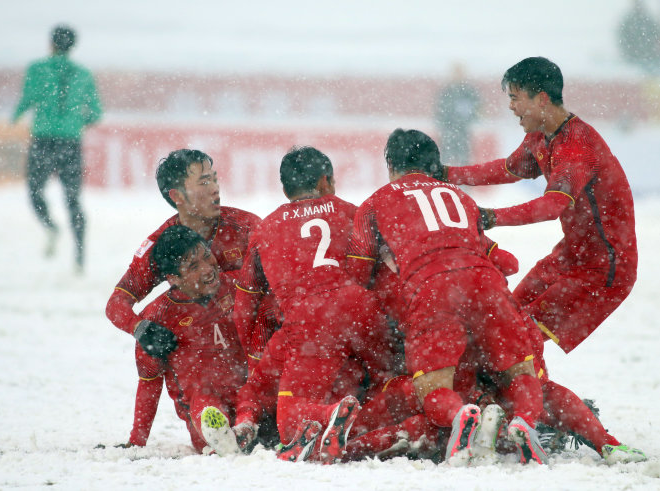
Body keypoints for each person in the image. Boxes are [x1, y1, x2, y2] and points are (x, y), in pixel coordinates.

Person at [347, 128, 547, 465]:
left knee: (432, 388)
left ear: (391, 166)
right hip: (485, 281)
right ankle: (525, 422)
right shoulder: (460, 197)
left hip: (431, 287)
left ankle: (460, 416)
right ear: (434, 164)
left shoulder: (375, 202)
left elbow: (358, 275)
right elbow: (506, 262)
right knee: (521, 373)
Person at [443, 57, 638, 354]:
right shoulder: (539, 136)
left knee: (516, 338)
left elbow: (551, 206)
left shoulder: (576, 146)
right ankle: (517, 395)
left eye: (515, 98)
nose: (511, 107)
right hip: (570, 255)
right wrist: (445, 174)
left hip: (603, 268)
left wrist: (491, 217)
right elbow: (506, 170)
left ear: (542, 99)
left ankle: (535, 399)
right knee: (504, 319)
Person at [234, 146, 396, 463]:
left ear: (285, 189)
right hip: (363, 309)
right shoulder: (353, 211)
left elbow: (244, 305)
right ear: (326, 181)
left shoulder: (265, 228)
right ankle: (408, 421)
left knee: (288, 423)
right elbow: (392, 265)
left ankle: (330, 416)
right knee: (386, 381)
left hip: (310, 323)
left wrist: (251, 352)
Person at [105, 149, 275, 363]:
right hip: (208, 359)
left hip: (260, 347)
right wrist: (140, 329)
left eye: (214, 180)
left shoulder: (248, 227)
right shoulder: (161, 246)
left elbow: (289, 286)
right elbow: (117, 302)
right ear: (177, 196)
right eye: (204, 183)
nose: (215, 188)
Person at [123, 225, 247, 454]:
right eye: (193, 266)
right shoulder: (157, 317)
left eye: (207, 257)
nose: (208, 269)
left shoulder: (240, 285)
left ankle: (248, 427)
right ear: (173, 279)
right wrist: (137, 439)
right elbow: (149, 379)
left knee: (263, 398)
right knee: (205, 404)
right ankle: (219, 435)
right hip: (204, 402)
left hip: (249, 392)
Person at [11, 24, 102, 272]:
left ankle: (51, 227)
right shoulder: (84, 74)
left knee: (34, 191)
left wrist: (15, 118)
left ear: (50, 43)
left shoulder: (37, 69)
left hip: (43, 141)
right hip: (70, 143)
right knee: (73, 199)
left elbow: (26, 99)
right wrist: (74, 123)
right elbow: (96, 113)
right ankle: (80, 258)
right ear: (73, 46)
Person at [434, 62, 480, 165]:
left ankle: (462, 177)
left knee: (463, 158)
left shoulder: (468, 91)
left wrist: (469, 120)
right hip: (447, 130)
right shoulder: (446, 91)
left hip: (463, 130)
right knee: (446, 157)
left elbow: (477, 109)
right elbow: (439, 111)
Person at [618, 0, 660, 74]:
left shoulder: (647, 21)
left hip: (648, 57)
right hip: (636, 57)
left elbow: (655, 37)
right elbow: (623, 39)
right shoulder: (630, 22)